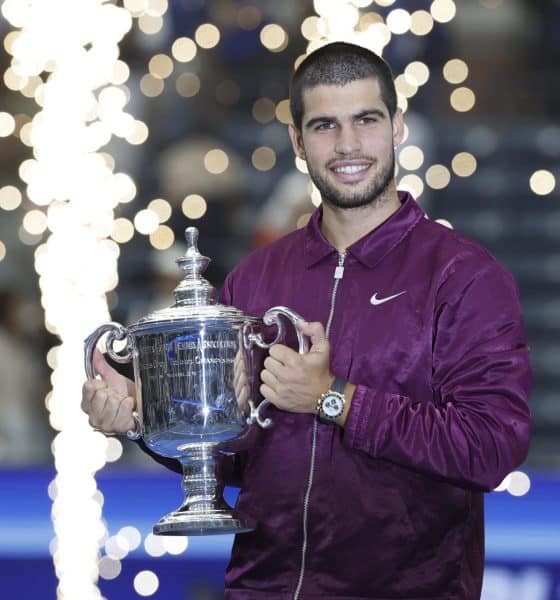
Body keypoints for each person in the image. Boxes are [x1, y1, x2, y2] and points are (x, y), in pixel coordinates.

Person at [82, 42, 533, 599]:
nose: (347, 146)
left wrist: (334, 397)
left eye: (365, 121)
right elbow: (236, 458)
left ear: (397, 127)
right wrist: (147, 417)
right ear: (298, 141)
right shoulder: (254, 278)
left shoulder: (464, 275)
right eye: (324, 126)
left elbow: (490, 448)